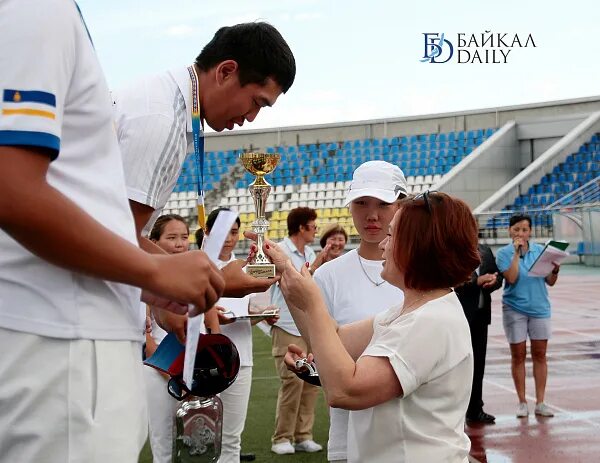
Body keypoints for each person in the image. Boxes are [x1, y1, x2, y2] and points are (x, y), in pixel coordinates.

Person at [0, 2, 224, 462]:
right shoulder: (36, 9)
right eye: (259, 101)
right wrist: (152, 273)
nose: (253, 118)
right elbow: (12, 188)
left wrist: (154, 274)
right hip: (64, 338)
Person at [264, 191, 479, 462]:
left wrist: (313, 303)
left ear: (417, 246)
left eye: (391, 236)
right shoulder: (413, 310)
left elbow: (346, 391)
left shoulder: (430, 321)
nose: (382, 246)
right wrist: (287, 273)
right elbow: (338, 339)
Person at [112, 20, 295, 339]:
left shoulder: (161, 101)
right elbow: (114, 237)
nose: (251, 118)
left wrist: (180, 295)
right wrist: (217, 281)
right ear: (226, 71)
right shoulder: (163, 119)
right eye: (256, 102)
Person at [312, 161, 407, 462]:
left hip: (410, 437)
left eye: (383, 204)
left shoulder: (422, 275)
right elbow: (322, 354)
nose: (372, 214)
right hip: (349, 437)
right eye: (361, 203)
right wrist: (306, 362)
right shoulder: (327, 276)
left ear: (401, 207)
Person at [203, 208, 279, 463]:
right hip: (204, 359)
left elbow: (249, 313)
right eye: (222, 232)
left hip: (240, 358)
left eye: (234, 232)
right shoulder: (197, 267)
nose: (228, 238)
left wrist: (263, 316)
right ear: (207, 233)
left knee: (232, 435)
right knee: (203, 433)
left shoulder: (248, 268)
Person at [143, 214, 219, 463]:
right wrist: (176, 376)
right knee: (165, 443)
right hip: (160, 371)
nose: (179, 244)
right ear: (153, 241)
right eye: (171, 237)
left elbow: (208, 326)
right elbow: (148, 341)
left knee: (196, 442)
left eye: (184, 237)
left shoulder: (195, 276)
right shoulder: (147, 277)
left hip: (193, 372)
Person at [270, 207, 323, 455]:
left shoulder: (309, 252)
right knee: (291, 382)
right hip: (288, 325)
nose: (316, 231)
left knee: (312, 380)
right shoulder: (279, 251)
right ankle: (282, 438)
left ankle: (303, 435)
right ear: (301, 228)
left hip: (308, 323)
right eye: (313, 226)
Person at [496, 214, 560, 418]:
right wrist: (516, 253)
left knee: (540, 354)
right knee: (518, 355)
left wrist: (555, 270)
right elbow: (512, 277)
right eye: (516, 230)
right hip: (515, 309)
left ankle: (540, 402)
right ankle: (522, 402)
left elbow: (550, 281)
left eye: (524, 230)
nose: (521, 234)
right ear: (510, 231)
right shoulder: (504, 253)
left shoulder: (542, 251)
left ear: (530, 231)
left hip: (540, 308)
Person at [455, 243, 503, 424]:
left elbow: (497, 276)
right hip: (460, 316)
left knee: (478, 364)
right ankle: (457, 411)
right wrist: (477, 282)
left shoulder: (485, 250)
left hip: (481, 316)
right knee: (458, 365)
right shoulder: (453, 249)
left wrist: (493, 281)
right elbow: (452, 282)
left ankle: (475, 408)